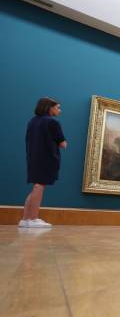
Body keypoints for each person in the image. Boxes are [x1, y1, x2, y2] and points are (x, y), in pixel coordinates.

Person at [19, 97, 67, 228]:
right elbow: (63, 144)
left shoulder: (32, 122)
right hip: (47, 158)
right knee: (39, 186)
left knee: (36, 186)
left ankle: (25, 219)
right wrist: (63, 143)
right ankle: (33, 219)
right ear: (49, 108)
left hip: (33, 157)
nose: (59, 111)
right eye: (58, 107)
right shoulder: (52, 123)